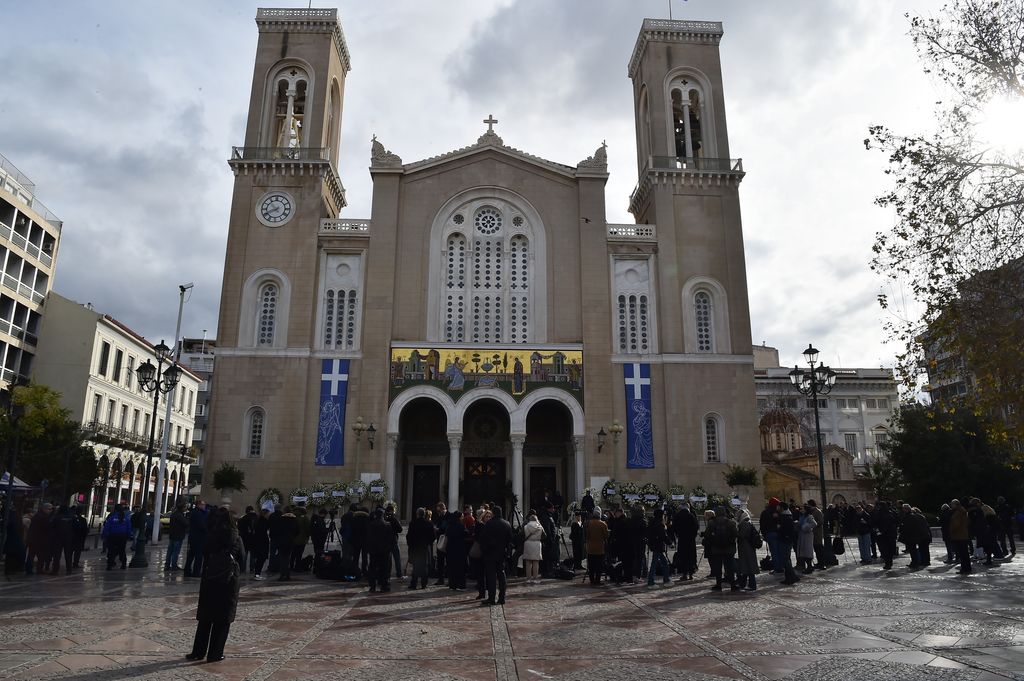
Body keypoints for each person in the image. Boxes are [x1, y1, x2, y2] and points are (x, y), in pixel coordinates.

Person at [187, 506, 244, 663]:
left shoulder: (211, 535)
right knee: (222, 620)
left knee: (205, 618)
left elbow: (205, 554)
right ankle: (215, 654)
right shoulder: (236, 538)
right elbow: (243, 560)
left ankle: (198, 652)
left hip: (210, 578)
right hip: (228, 580)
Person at [479, 506, 514, 605]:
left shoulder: (489, 524)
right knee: (501, 575)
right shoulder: (506, 524)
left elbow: (483, 539)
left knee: (491, 576)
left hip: (490, 553)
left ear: (493, 513)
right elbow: (510, 539)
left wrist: (484, 550)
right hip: (501, 553)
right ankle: (502, 598)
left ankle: (491, 598)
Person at [704, 508, 738, 591]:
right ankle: (733, 585)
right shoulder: (731, 523)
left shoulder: (712, 523)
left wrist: (712, 541)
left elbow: (707, 535)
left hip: (716, 548)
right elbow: (735, 534)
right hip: (729, 549)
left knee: (717, 567)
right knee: (730, 567)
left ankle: (718, 585)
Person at [366, 508, 396, 592]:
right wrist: (389, 548)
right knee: (384, 569)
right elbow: (392, 539)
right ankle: (384, 586)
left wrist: (369, 548)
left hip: (374, 551)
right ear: (383, 515)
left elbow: (368, 538)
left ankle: (372, 586)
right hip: (384, 551)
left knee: (372, 568)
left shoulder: (371, 525)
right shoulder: (387, 525)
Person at [406, 507, 434, 589]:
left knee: (415, 567)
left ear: (417, 514)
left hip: (415, 548)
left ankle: (414, 584)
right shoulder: (428, 523)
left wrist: (410, 545)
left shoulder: (413, 523)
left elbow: (409, 536)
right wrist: (428, 543)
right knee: (424, 567)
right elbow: (432, 536)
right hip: (424, 548)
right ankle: (424, 584)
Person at [25, 502, 54, 575]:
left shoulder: (37, 516)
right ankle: (38, 570)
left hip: (34, 539)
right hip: (40, 540)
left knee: (31, 556)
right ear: (44, 509)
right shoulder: (44, 517)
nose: (50, 511)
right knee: (40, 556)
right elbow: (47, 529)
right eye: (49, 509)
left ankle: (29, 570)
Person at [672, 503, 698, 581]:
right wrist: (693, 535)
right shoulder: (691, 516)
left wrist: (677, 534)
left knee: (683, 556)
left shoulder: (677, 516)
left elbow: (674, 527)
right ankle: (691, 574)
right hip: (690, 539)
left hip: (682, 539)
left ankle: (684, 574)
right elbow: (696, 527)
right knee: (691, 556)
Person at [102, 503, 132, 570]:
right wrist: (128, 535)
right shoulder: (125, 517)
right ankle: (123, 563)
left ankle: (110, 564)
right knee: (122, 550)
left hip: (113, 536)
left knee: (111, 550)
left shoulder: (112, 517)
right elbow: (129, 527)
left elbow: (107, 527)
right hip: (122, 536)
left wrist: (104, 535)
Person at [735, 509, 760, 591]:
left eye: (738, 516)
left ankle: (752, 585)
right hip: (747, 547)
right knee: (746, 566)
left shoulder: (744, 524)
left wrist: (736, 533)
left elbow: (741, 535)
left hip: (746, 547)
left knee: (748, 565)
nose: (737, 517)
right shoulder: (747, 522)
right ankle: (743, 584)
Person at [184, 500, 209, 578]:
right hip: (199, 538)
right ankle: (196, 572)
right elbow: (201, 525)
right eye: (203, 504)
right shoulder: (197, 513)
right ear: (199, 505)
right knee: (198, 556)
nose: (204, 506)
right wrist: (207, 531)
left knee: (191, 555)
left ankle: (187, 571)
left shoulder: (194, 512)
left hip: (193, 537)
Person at [646, 509, 670, 586]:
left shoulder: (652, 522)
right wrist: (670, 543)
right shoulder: (659, 524)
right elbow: (663, 536)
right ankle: (651, 581)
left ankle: (666, 579)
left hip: (654, 545)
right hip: (658, 546)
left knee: (663, 563)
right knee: (655, 564)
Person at [273, 507, 299, 581]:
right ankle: (287, 574)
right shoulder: (294, 520)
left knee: (282, 558)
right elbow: (298, 530)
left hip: (282, 541)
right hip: (290, 541)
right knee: (287, 558)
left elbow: (276, 530)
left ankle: (282, 574)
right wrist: (292, 536)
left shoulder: (281, 520)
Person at [445, 510, 468, 590]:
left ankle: (452, 585)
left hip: (450, 549)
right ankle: (460, 585)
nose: (463, 518)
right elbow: (466, 534)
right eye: (461, 516)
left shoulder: (449, 526)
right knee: (460, 568)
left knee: (452, 568)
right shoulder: (461, 526)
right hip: (459, 549)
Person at [776, 502, 799, 585]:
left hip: (785, 540)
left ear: (782, 508)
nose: (777, 508)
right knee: (786, 559)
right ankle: (789, 577)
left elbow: (782, 529)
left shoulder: (785, 517)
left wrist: (785, 535)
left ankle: (792, 576)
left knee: (785, 559)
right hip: (786, 540)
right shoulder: (787, 516)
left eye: (778, 506)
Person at [585, 508, 609, 585]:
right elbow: (606, 536)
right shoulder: (603, 524)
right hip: (600, 547)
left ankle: (591, 580)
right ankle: (597, 580)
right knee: (599, 565)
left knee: (591, 565)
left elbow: (587, 535)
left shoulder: (589, 523)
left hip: (591, 547)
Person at [522, 512, 545, 585]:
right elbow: (544, 535)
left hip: (528, 544)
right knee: (536, 562)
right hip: (537, 544)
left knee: (528, 562)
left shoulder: (526, 526)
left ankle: (528, 578)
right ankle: (535, 578)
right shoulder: (540, 527)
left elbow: (522, 535)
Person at [950, 498, 971, 574]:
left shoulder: (959, 512)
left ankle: (964, 568)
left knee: (963, 553)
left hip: (959, 535)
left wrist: (951, 530)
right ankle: (966, 568)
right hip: (962, 534)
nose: (951, 506)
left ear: (956, 504)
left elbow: (956, 524)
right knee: (964, 553)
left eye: (952, 504)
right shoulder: (962, 511)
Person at [760, 497, 781, 574]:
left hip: (770, 534)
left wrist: (764, 534)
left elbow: (762, 524)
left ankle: (777, 569)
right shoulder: (778, 512)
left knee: (774, 552)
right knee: (779, 551)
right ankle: (781, 567)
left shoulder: (765, 512)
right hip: (778, 533)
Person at [166, 500, 188, 571]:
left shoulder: (173, 514)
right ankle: (174, 565)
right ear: (182, 508)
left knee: (170, 551)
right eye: (185, 507)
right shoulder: (180, 515)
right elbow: (186, 524)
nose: (186, 509)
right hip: (178, 536)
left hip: (172, 535)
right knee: (176, 551)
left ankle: (167, 565)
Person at [250, 507, 271, 580]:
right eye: (268, 514)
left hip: (258, 542)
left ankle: (257, 573)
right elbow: (263, 532)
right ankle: (257, 574)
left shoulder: (258, 520)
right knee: (261, 559)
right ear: (265, 514)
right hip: (262, 543)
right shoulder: (263, 521)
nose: (269, 515)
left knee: (260, 559)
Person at [384, 505, 404, 580]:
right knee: (397, 558)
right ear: (392, 510)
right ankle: (399, 574)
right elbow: (400, 529)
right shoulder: (393, 519)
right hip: (393, 540)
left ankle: (387, 574)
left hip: (386, 541)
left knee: (388, 559)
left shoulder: (385, 518)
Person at [797, 503, 817, 574]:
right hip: (802, 535)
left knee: (807, 551)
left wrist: (805, 527)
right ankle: (808, 566)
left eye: (802, 509)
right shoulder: (802, 516)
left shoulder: (809, 516)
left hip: (807, 535)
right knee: (804, 551)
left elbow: (814, 524)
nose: (801, 510)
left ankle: (809, 566)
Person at [237, 506, 257, 573]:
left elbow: (239, 528)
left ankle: (243, 568)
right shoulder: (256, 518)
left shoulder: (242, 518)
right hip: (253, 538)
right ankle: (252, 568)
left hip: (245, 538)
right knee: (253, 555)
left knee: (244, 554)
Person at [291, 505, 310, 571]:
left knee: (293, 553)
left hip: (293, 538)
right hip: (302, 538)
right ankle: (297, 566)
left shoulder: (293, 517)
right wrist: (308, 536)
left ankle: (291, 566)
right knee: (299, 554)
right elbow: (308, 528)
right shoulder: (304, 518)